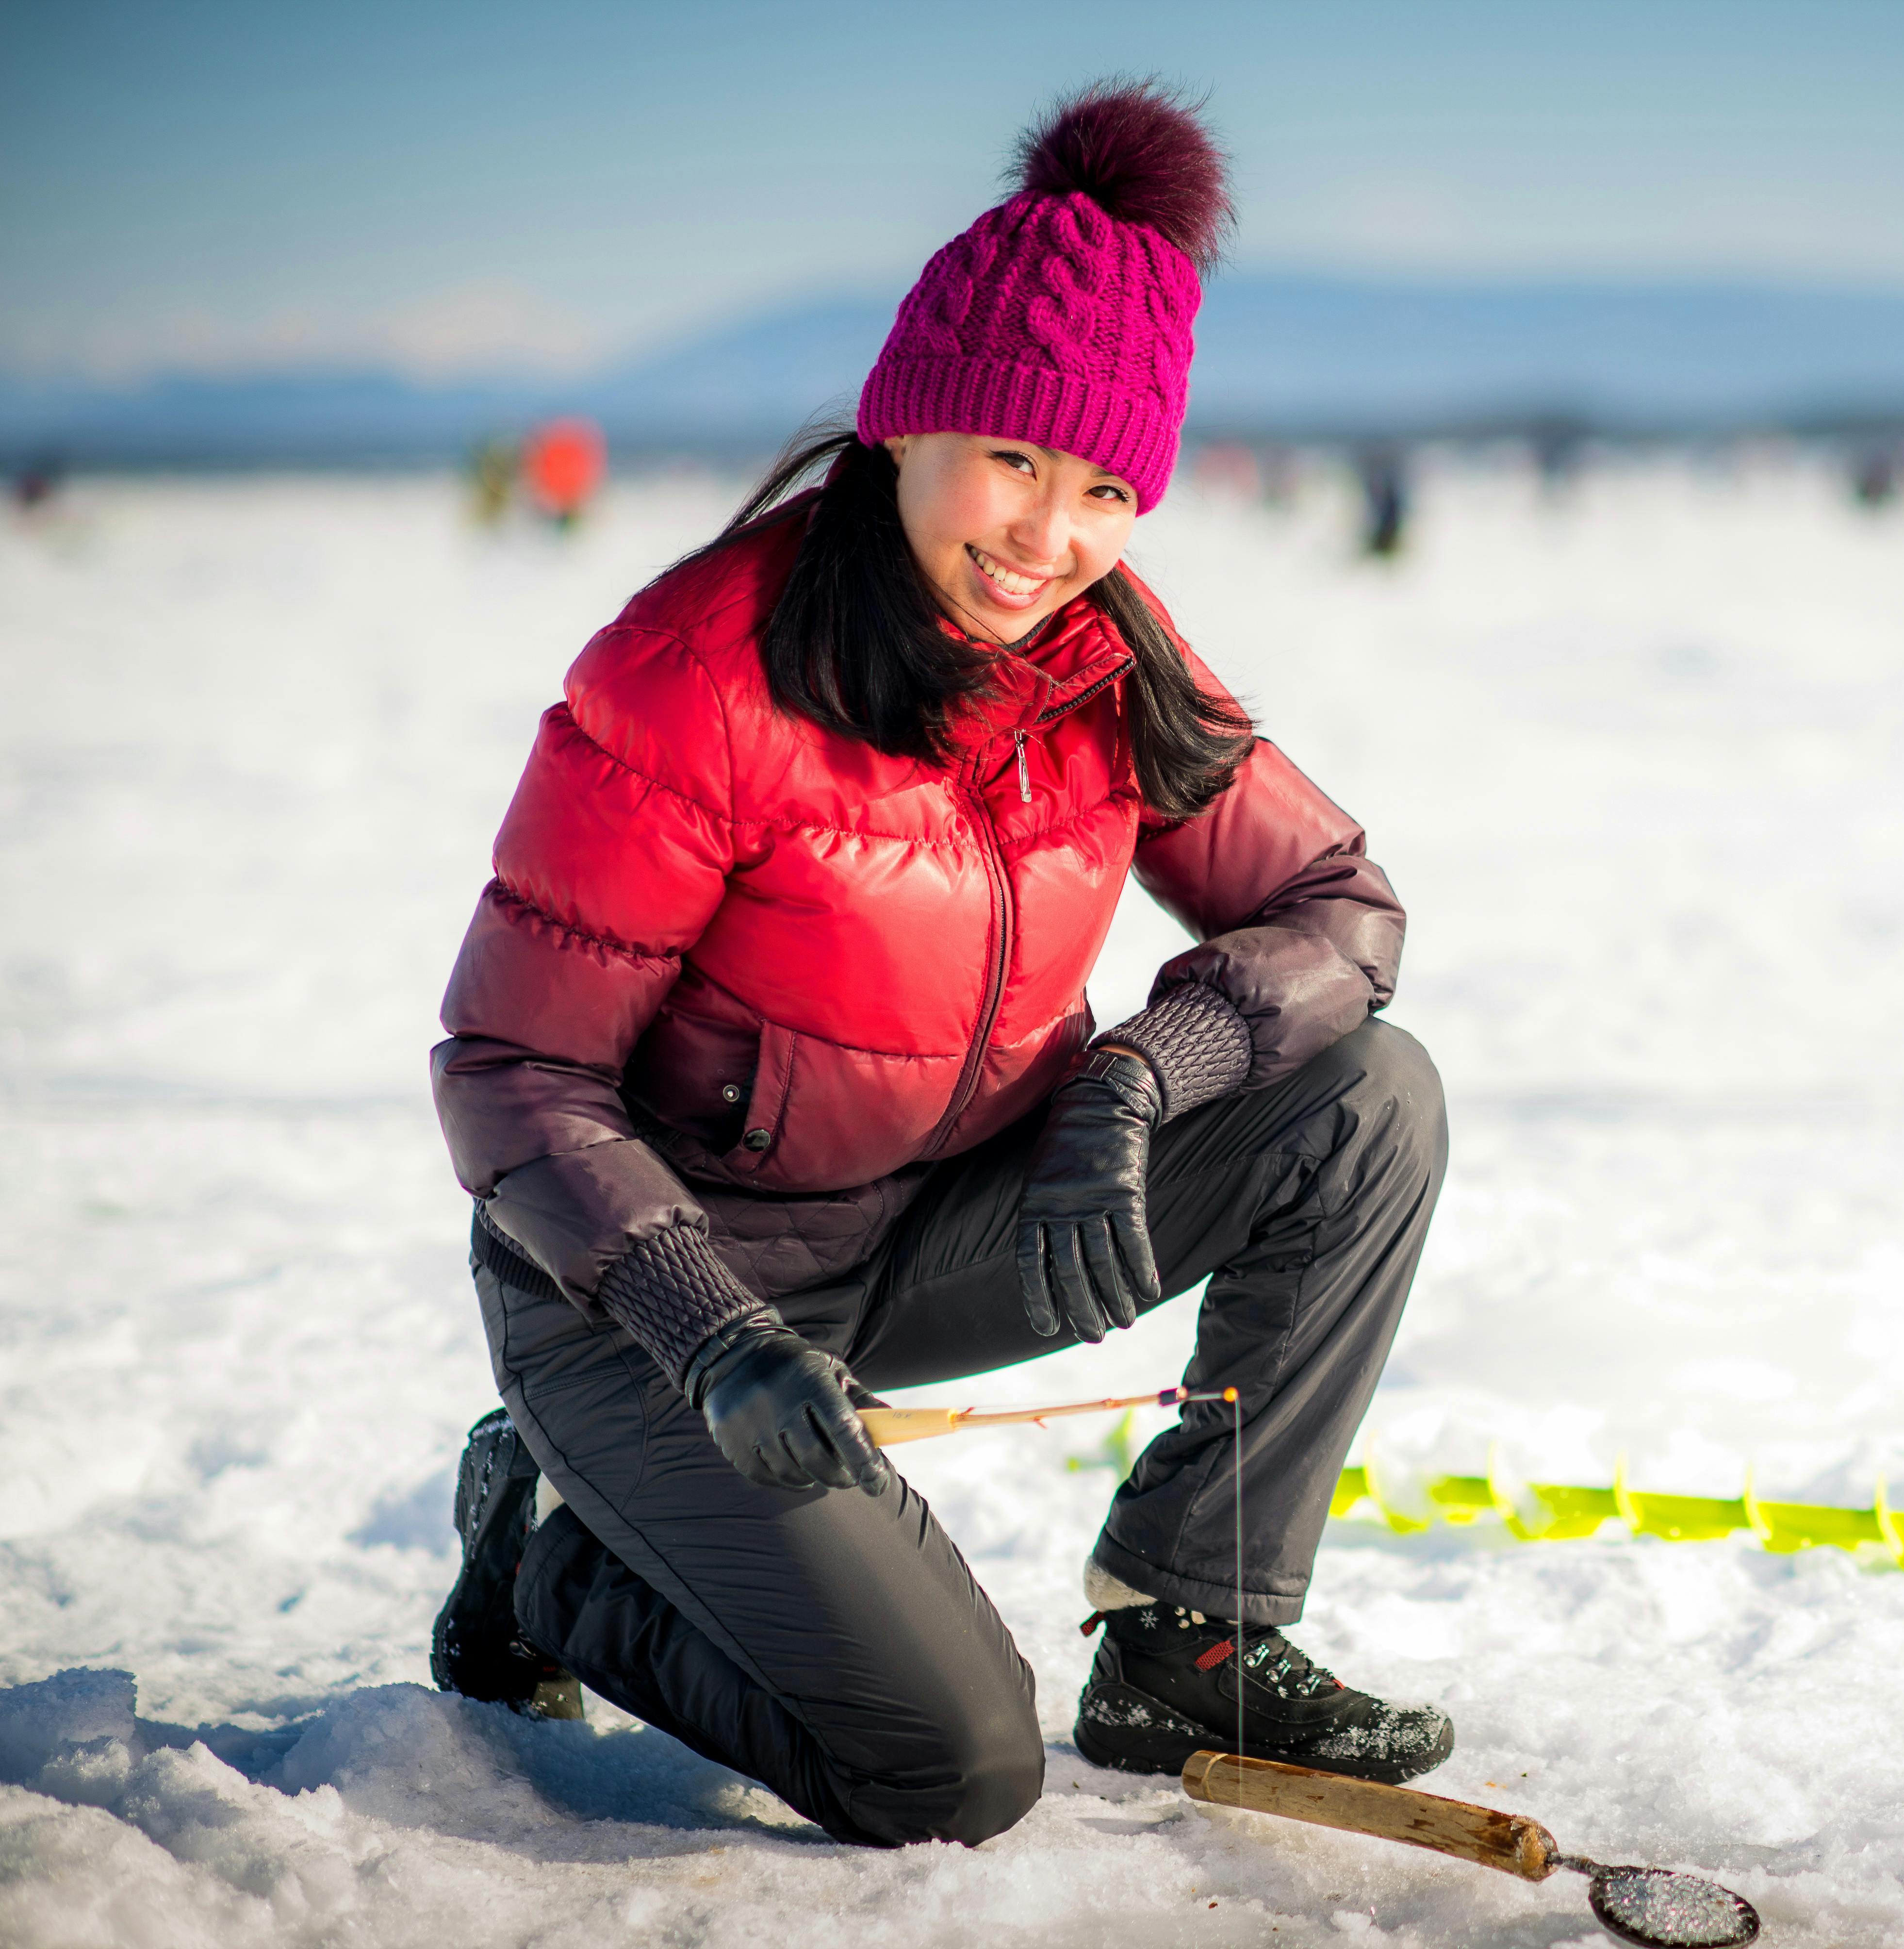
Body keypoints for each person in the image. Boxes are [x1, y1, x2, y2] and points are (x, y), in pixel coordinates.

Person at [425, 84, 1453, 1851]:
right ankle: (545, 1566)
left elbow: (1341, 911)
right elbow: (512, 1074)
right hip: (653, 1312)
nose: (1046, 535)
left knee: (1366, 1098)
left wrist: (1142, 1078)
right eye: (1013, 463)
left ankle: (1190, 1634)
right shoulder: (692, 675)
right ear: (909, 426)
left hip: (939, 1234)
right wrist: (707, 1335)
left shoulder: (1102, 658)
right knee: (946, 1774)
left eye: (1106, 487)